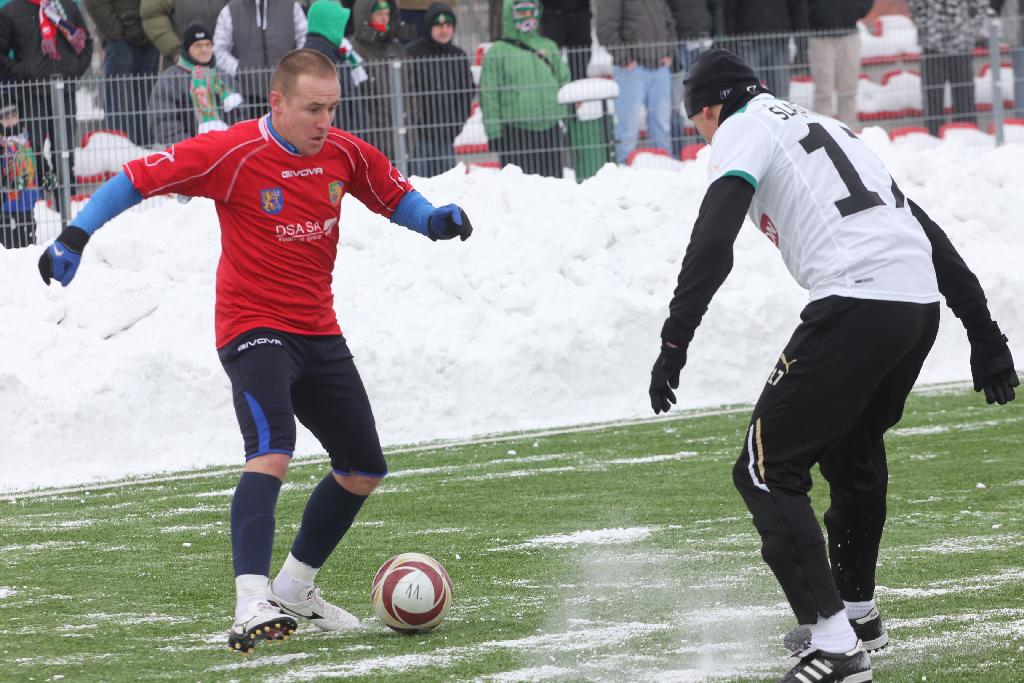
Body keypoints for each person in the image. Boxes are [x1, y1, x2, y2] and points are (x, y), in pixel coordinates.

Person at [36, 48, 474, 654]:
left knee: (363, 466)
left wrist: (435, 219)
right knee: (272, 448)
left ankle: (294, 587)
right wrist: (75, 235)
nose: (325, 121)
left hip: (318, 330)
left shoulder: (344, 153)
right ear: (277, 102)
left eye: (332, 108)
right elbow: (139, 178)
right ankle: (250, 600)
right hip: (252, 328)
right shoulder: (232, 152)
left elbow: (394, 195)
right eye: (312, 108)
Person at [647, 49, 1018, 683]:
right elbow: (929, 235)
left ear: (709, 108)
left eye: (696, 123)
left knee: (765, 469)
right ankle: (856, 610)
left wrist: (674, 341)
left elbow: (713, 243)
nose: (701, 135)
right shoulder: (826, 127)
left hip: (858, 300)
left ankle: (836, 646)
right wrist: (984, 334)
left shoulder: (742, 126)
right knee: (850, 453)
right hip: (915, 306)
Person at [0, 0, 92, 203]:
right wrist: (21, 72)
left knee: (65, 152)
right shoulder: (11, 11)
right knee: (34, 152)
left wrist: (75, 68)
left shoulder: (66, 7)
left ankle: (68, 207)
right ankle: (40, 204)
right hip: (31, 95)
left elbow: (86, 41)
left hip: (65, 90)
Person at [479, 0, 571, 177]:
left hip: (550, 129)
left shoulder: (549, 46)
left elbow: (564, 83)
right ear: (509, 15)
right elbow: (488, 94)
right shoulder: (497, 52)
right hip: (515, 133)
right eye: (522, 12)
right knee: (520, 193)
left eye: (531, 12)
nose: (528, 17)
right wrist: (494, 132)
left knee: (552, 190)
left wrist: (564, 118)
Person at [595, 0, 677, 163]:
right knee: (628, 129)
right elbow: (605, 29)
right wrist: (624, 59)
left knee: (662, 126)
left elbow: (669, 22)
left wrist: (670, 51)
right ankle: (624, 168)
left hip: (660, 67)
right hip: (631, 70)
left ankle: (665, 166)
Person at [406, 2, 473, 176]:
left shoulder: (458, 56)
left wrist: (456, 124)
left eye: (448, 25)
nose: (444, 30)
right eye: (439, 25)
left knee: (446, 186)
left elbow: (466, 93)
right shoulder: (411, 53)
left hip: (446, 135)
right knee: (419, 186)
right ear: (429, 27)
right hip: (418, 137)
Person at [147, 24, 244, 145]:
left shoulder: (223, 76)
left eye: (208, 45)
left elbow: (241, 115)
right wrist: (190, 146)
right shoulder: (171, 79)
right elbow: (163, 121)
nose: (204, 49)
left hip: (226, 149)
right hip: (188, 151)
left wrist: (232, 142)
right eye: (198, 45)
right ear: (188, 49)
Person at [214, 0, 308, 120]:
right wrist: (239, 70)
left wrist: (293, 67)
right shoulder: (230, 10)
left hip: (287, 90)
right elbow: (219, 50)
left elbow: (305, 40)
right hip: (247, 96)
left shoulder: (292, 6)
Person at [85, 0, 162, 145]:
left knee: (147, 100)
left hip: (149, 35)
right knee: (119, 102)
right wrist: (115, 32)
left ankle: (146, 152)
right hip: (119, 38)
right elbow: (95, 4)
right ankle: (120, 152)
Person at [909, 0, 986, 137]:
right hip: (931, 44)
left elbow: (980, 5)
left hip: (961, 44)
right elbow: (915, 6)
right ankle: (933, 137)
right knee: (932, 96)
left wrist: (969, 28)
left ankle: (967, 135)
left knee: (964, 95)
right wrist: (926, 26)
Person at [303, 0, 370, 134]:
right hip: (339, 136)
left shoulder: (332, 53)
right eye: (339, 24)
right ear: (329, 24)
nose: (342, 30)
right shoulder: (321, 59)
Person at [351, 0, 407, 158]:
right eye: (379, 14)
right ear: (366, 16)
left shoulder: (398, 48)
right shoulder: (354, 50)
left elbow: (410, 90)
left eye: (387, 13)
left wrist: (412, 119)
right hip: (372, 138)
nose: (385, 18)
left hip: (404, 136)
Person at [721, 0, 808, 100]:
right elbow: (729, 7)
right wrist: (730, 40)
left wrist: (801, 42)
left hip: (779, 40)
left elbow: (797, 6)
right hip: (747, 40)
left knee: (781, 95)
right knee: (750, 95)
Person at [807, 0, 872, 129]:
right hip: (820, 37)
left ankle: (850, 133)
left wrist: (856, 10)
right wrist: (815, 14)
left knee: (848, 91)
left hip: (849, 35)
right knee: (823, 91)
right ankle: (823, 133)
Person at [0, 101, 44, 249]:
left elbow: (39, 161)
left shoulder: (27, 140)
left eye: (13, 116)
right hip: (6, 202)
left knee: (27, 239)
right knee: (7, 242)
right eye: (5, 117)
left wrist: (47, 175)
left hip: (26, 198)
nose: (10, 120)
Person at [140, 0, 230, 68]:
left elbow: (238, 10)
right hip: (181, 63)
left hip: (223, 61)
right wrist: (175, 51)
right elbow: (153, 15)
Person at [540, 0, 592, 82]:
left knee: (580, 60)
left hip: (580, 11)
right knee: (550, 59)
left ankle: (578, 90)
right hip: (551, 12)